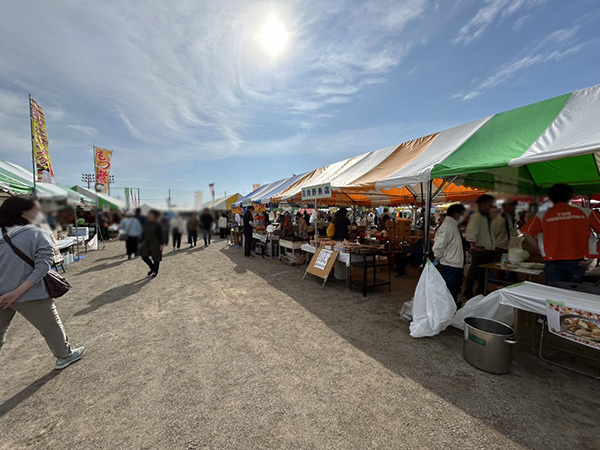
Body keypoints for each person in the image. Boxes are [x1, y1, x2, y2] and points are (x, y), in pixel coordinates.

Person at [0, 196, 85, 369]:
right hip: (31, 293)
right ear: (23, 213)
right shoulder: (37, 232)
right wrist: (16, 293)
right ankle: (64, 356)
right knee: (50, 327)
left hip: (1, 294)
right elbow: (43, 266)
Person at [522, 183, 600, 285]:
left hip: (553, 261)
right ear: (570, 196)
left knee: (554, 292)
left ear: (551, 198)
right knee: (573, 291)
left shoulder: (543, 215)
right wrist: (595, 251)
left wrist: (538, 248)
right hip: (578, 261)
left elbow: (526, 232)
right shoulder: (586, 213)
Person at [433, 204, 467, 304]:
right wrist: (438, 257)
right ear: (456, 214)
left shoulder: (453, 225)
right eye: (462, 214)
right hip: (450, 263)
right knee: (449, 289)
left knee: (455, 287)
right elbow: (438, 246)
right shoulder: (448, 226)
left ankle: (453, 304)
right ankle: (448, 307)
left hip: (454, 262)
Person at [464, 194, 496, 298]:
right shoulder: (476, 217)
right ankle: (468, 290)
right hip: (480, 249)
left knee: (483, 272)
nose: (491, 205)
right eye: (490, 203)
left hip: (488, 248)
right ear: (483, 203)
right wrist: (475, 247)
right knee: (475, 271)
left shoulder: (487, 217)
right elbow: (471, 234)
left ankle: (481, 290)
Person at [492, 199, 519, 281]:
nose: (513, 208)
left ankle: (511, 283)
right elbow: (493, 233)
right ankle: (500, 284)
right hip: (501, 247)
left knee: (512, 268)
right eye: (510, 206)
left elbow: (514, 233)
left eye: (513, 206)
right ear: (504, 207)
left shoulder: (512, 218)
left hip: (511, 247)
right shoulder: (499, 219)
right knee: (501, 268)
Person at [139, 209, 164, 278]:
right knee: (144, 256)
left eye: (151, 214)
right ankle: (152, 267)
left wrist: (161, 244)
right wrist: (140, 242)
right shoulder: (146, 223)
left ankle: (155, 271)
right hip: (146, 243)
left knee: (156, 258)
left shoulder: (158, 224)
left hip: (156, 243)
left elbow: (161, 235)